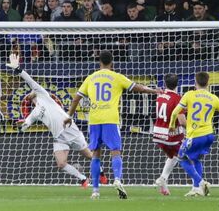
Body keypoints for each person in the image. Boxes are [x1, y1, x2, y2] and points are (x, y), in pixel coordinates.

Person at [64, 51, 160, 199]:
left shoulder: (90, 78)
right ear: (112, 63)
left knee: (95, 154)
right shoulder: (117, 77)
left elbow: (76, 99)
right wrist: (155, 91)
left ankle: (95, 190)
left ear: (99, 62)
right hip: (111, 119)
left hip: (95, 120)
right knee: (115, 151)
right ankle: (117, 179)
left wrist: (69, 116)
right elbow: (139, 87)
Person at [6, 54, 108, 188]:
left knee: (89, 155)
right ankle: (83, 179)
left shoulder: (43, 94)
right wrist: (21, 125)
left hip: (69, 129)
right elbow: (26, 125)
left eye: (31, 92)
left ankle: (101, 172)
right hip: (59, 138)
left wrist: (18, 69)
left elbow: (29, 80)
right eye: (29, 94)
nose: (30, 93)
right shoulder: (34, 113)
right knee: (61, 163)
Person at [169, 72, 219, 196]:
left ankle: (201, 182)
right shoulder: (213, 97)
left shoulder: (189, 95)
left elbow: (175, 112)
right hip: (209, 135)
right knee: (196, 159)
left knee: (181, 158)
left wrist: (172, 125)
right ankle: (196, 189)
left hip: (195, 135)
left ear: (195, 82)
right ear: (208, 83)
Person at [153, 74, 186, 195]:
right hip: (171, 135)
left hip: (157, 134)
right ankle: (198, 184)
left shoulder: (160, 96)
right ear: (177, 84)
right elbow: (182, 121)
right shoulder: (178, 98)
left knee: (173, 157)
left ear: (165, 84)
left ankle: (163, 181)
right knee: (188, 156)